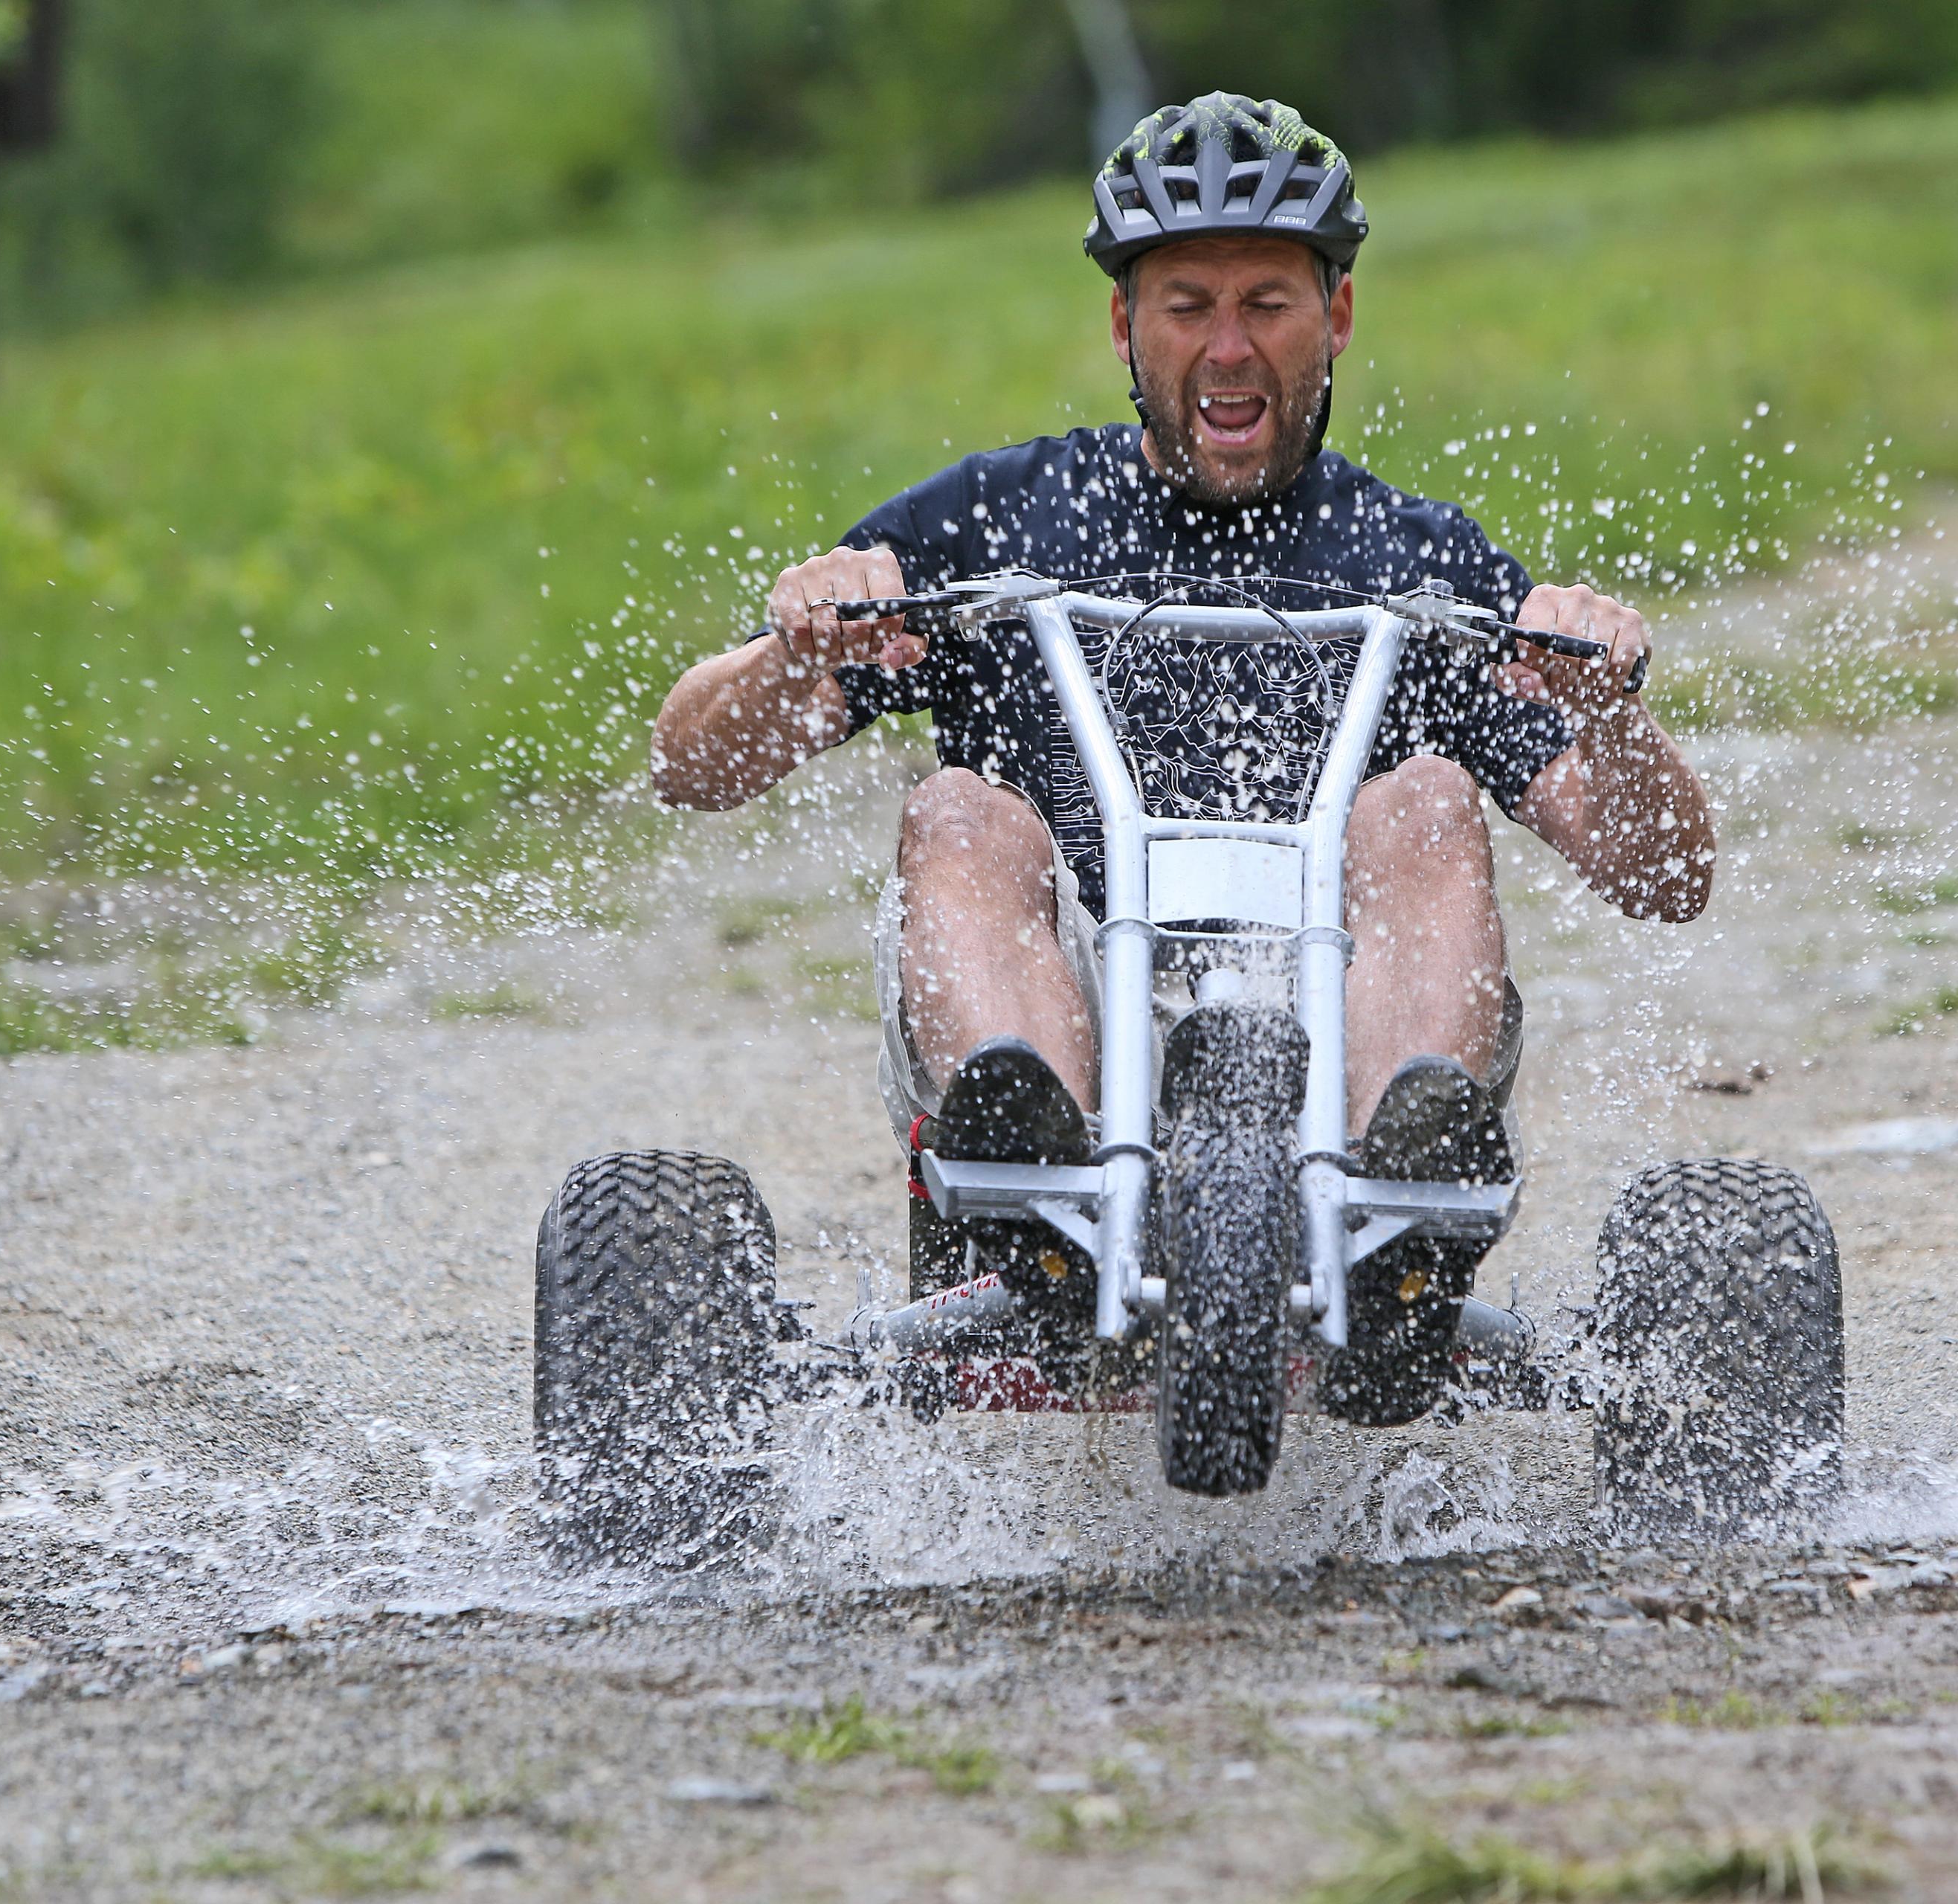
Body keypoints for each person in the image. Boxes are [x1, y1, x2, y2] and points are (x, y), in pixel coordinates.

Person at [650, 94, 1713, 1416]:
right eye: (1187, 303)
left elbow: (1664, 875)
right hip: (1066, 1008)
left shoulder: (1415, 559)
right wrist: (795, 650)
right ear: (1121, 325)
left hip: (1344, 1028)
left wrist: (1612, 707)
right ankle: (1043, 1203)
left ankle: (1401, 1235)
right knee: (961, 812)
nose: (1227, 350)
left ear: (1337, 316)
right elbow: (692, 764)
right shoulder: (1008, 517)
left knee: (1429, 801)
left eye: (1267, 302)